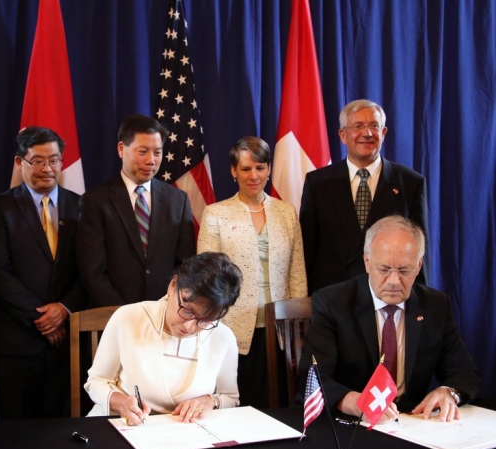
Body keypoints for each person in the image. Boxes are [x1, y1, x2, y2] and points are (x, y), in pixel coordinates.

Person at [298, 216, 480, 425]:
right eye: (384, 269)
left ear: (419, 265)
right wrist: (355, 402)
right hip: (350, 425)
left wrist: (449, 392)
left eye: (404, 270)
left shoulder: (435, 305)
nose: (394, 281)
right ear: (367, 262)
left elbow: (465, 372)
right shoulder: (333, 303)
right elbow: (312, 379)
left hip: (411, 421)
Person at [0, 127, 85, 420]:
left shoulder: (81, 206)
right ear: (20, 163)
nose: (47, 169)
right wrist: (43, 318)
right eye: (37, 161)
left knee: (60, 439)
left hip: (67, 346)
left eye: (54, 160)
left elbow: (88, 270)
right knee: (15, 441)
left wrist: (63, 309)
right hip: (15, 346)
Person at [197, 136, 307, 408]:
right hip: (232, 328)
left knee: (281, 404)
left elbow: (297, 272)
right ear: (234, 171)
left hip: (281, 329)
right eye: (245, 169)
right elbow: (208, 278)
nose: (253, 175)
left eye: (259, 167)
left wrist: (299, 323)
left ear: (269, 169)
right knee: (241, 405)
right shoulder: (215, 214)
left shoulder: (286, 212)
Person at [85, 252, 242, 425]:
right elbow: (96, 382)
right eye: (188, 311)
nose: (189, 327)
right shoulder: (128, 318)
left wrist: (210, 401)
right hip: (123, 427)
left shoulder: (223, 336)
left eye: (205, 321)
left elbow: (230, 398)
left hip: (186, 436)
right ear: (173, 286)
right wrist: (122, 403)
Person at [300, 99, 429, 294]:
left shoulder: (410, 183)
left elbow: (418, 252)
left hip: (388, 295)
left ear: (383, 133)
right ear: (343, 135)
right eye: (358, 126)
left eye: (374, 126)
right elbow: (307, 251)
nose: (367, 133)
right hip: (332, 299)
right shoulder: (317, 183)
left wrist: (420, 302)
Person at [76, 114, 196, 307]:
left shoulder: (178, 200)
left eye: (157, 152)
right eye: (143, 152)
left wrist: (168, 305)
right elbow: (92, 271)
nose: (151, 160)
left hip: (165, 313)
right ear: (121, 149)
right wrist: (124, 314)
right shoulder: (95, 201)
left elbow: (185, 264)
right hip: (114, 317)